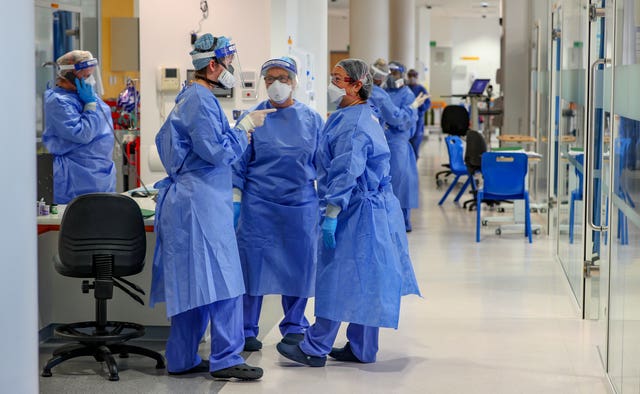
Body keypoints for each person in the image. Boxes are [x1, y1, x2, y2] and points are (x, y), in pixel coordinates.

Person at [276, 59, 421, 367]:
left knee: (336, 277)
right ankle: (362, 347)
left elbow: (345, 171)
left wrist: (332, 212)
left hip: (354, 210)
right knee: (366, 277)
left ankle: (315, 347)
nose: (333, 84)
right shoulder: (358, 115)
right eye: (333, 78)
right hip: (372, 209)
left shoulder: (353, 123)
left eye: (339, 79)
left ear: (357, 86)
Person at [150, 33, 275, 381]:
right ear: (213, 64)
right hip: (200, 202)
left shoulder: (192, 97)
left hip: (193, 200)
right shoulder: (200, 101)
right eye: (228, 61)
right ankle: (225, 358)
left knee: (193, 285)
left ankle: (182, 358)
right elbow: (218, 152)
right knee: (224, 280)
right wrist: (244, 127)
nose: (231, 67)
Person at [232, 57, 324, 352]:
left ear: (294, 81)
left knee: (299, 266)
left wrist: (329, 208)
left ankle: (295, 326)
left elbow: (324, 165)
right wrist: (235, 201)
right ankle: (246, 329)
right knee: (252, 269)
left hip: (300, 204)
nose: (275, 84)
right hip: (259, 206)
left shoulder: (311, 120)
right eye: (269, 78)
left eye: (282, 78)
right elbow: (237, 164)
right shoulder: (252, 118)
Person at [42, 50, 116, 204]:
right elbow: (83, 133)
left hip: (102, 175)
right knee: (77, 223)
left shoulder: (87, 95)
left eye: (91, 75)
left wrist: (90, 101)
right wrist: (89, 105)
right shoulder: (57, 101)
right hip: (76, 178)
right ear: (68, 75)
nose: (91, 81)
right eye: (85, 76)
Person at [376, 60, 427, 232]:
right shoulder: (382, 92)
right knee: (382, 183)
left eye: (395, 73)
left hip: (398, 144)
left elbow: (405, 123)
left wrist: (403, 115)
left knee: (401, 183)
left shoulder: (407, 95)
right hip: (382, 142)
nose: (391, 76)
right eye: (388, 72)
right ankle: (385, 221)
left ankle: (402, 222)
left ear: (402, 75)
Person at [406, 69, 431, 159]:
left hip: (418, 119)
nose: (412, 78)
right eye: (410, 76)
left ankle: (414, 160)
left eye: (414, 76)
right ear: (408, 77)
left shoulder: (421, 89)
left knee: (415, 140)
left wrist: (420, 107)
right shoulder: (405, 88)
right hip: (406, 119)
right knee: (407, 142)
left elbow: (427, 103)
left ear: (417, 77)